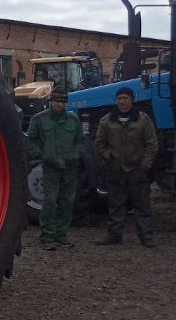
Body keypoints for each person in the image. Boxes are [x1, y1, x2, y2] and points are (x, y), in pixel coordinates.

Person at [95, 87, 158, 247]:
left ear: (132, 99)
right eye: (119, 98)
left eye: (125, 98)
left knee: (142, 205)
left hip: (137, 170)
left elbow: (151, 145)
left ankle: (146, 237)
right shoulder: (107, 121)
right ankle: (114, 235)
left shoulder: (143, 120)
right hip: (115, 170)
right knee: (116, 205)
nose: (122, 101)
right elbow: (99, 144)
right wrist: (108, 160)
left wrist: (144, 167)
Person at [25, 87, 86, 251]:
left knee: (66, 202)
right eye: (57, 100)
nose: (60, 104)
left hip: (69, 167)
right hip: (51, 167)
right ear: (51, 101)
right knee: (50, 202)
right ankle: (47, 236)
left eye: (63, 101)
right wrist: (43, 155)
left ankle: (61, 234)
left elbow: (81, 141)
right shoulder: (39, 119)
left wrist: (75, 155)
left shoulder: (73, 120)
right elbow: (31, 141)